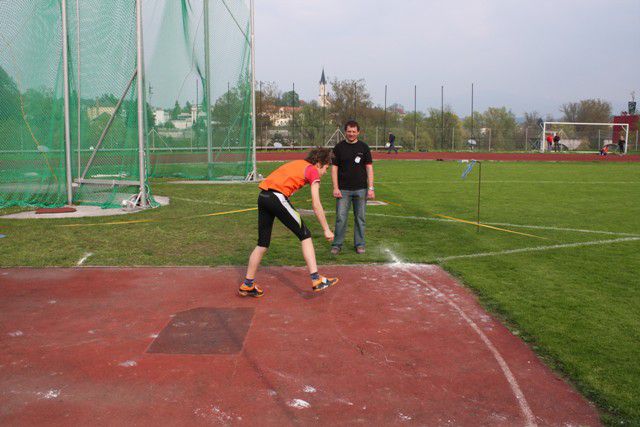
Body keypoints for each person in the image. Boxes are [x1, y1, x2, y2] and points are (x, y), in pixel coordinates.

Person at [239, 147, 338, 298]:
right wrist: (326, 229)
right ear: (319, 163)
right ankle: (316, 279)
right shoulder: (311, 169)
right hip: (277, 197)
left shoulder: (299, 163)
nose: (325, 172)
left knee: (262, 244)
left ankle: (247, 284)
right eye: (326, 168)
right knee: (305, 235)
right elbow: (316, 204)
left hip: (263, 196)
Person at [331, 120, 375, 255]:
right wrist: (335, 188)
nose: (351, 134)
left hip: (361, 189)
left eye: (354, 132)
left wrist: (371, 188)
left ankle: (360, 244)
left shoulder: (364, 147)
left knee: (360, 218)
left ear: (358, 132)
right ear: (345, 132)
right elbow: (334, 169)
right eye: (349, 131)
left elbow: (369, 168)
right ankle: (337, 245)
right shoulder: (338, 147)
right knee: (341, 218)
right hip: (343, 189)